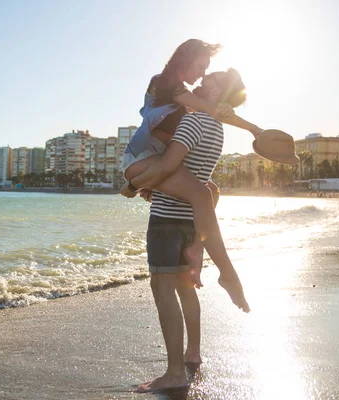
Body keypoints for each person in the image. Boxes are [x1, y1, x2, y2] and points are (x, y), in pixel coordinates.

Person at [121, 39, 260, 310]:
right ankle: (228, 274)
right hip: (141, 158)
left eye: (207, 69)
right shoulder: (164, 82)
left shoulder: (192, 102)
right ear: (186, 58)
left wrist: (252, 129)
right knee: (200, 193)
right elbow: (208, 109)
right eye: (201, 66)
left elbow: (208, 114)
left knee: (212, 191)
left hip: (160, 159)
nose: (203, 73)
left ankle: (198, 248)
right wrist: (134, 184)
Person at [136, 71, 247, 393]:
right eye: (206, 81)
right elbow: (197, 175)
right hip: (189, 220)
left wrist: (137, 183)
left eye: (212, 85)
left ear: (222, 97)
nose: (204, 86)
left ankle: (174, 373)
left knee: (163, 290)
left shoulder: (193, 121)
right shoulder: (218, 129)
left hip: (167, 217)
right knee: (186, 287)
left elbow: (171, 164)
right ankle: (192, 354)